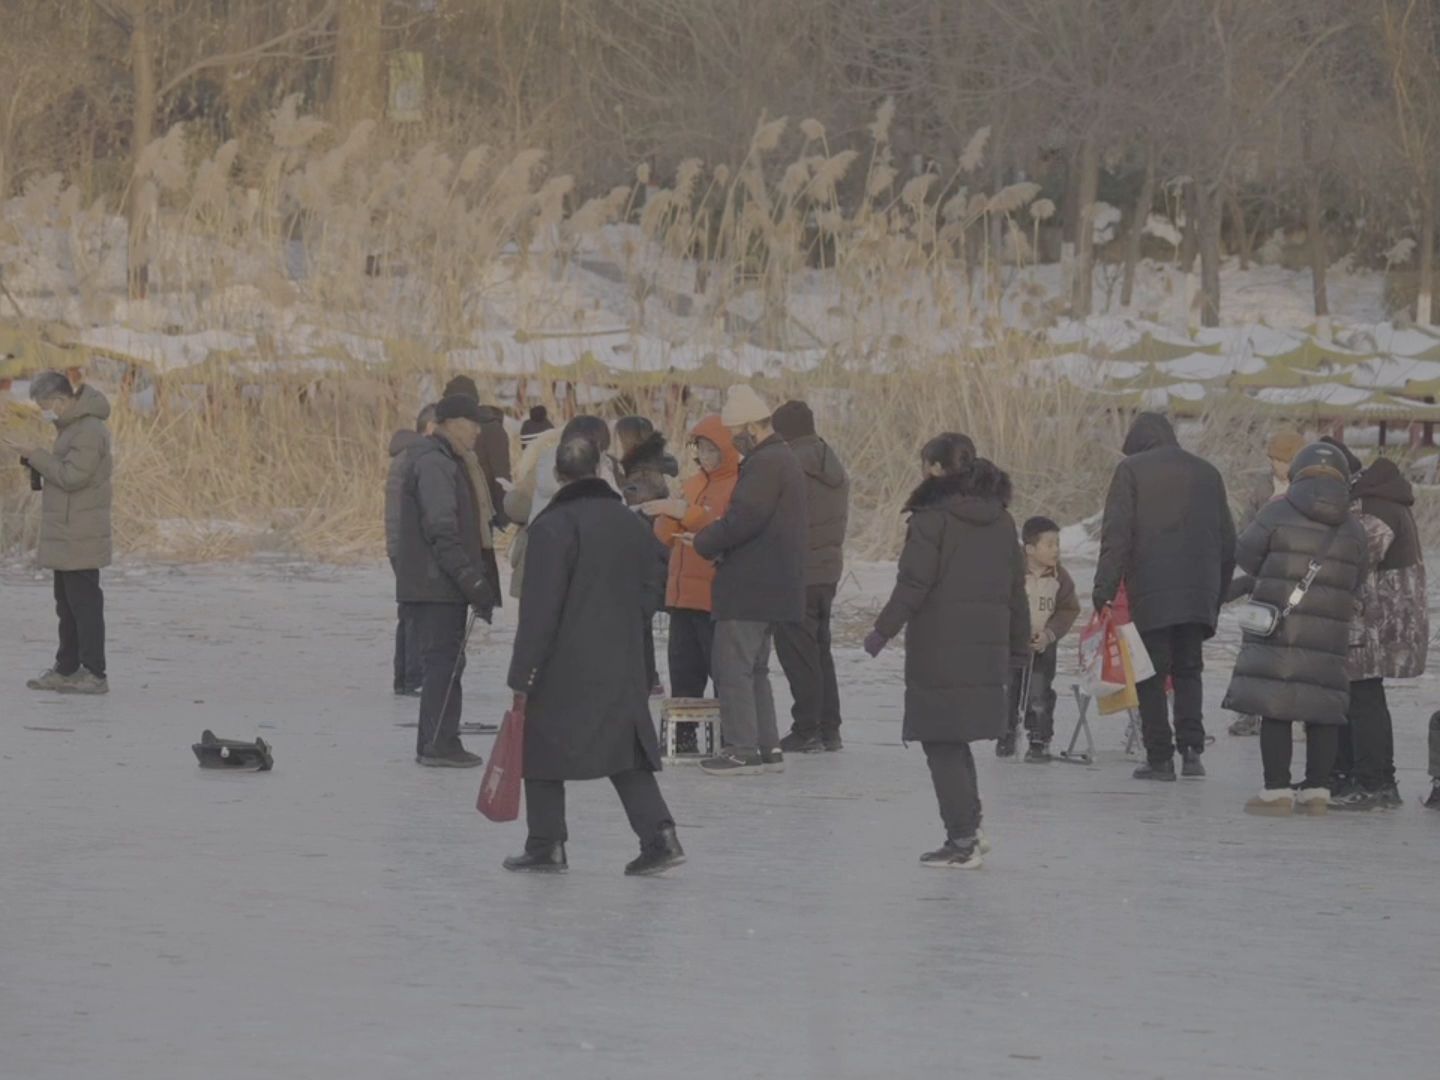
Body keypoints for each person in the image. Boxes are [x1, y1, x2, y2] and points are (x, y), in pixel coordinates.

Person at [502, 435, 684, 876]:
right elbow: (658, 578)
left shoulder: (551, 528)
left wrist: (522, 674)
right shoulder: (629, 523)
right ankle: (660, 838)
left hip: (562, 665)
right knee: (626, 751)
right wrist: (631, 620)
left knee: (539, 747)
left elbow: (539, 612)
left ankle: (547, 844)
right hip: (623, 658)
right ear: (598, 473)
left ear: (560, 476)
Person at [864, 433, 1028, 869]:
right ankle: (968, 829)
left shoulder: (931, 518)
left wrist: (882, 631)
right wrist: (1018, 646)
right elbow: (1017, 590)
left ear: (936, 469)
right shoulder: (1002, 519)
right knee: (952, 740)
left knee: (941, 740)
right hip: (984, 648)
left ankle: (962, 839)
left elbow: (913, 584)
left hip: (940, 646)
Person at [1221, 443, 1367, 816]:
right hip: (1330, 629)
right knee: (1322, 705)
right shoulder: (1352, 526)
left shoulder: (1277, 511)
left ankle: (1276, 791)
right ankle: (1317, 790)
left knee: (1277, 703)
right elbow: (1359, 576)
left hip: (1281, 626)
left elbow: (1247, 555)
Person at [1093, 412, 1235, 781]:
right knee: (1189, 670)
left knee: (1150, 674)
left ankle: (1159, 757)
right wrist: (1215, 595)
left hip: (1152, 590)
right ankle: (1191, 751)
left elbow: (1117, 535)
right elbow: (1228, 540)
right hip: (1198, 592)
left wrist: (1103, 590)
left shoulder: (1132, 471)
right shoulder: (1207, 472)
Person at [692, 385, 807, 775]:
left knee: (733, 667)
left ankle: (742, 747)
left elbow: (744, 519)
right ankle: (766, 744)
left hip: (750, 584)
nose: (731, 442)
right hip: (773, 583)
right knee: (754, 668)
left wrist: (705, 540)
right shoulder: (781, 458)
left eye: (734, 433)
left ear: (750, 428)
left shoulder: (766, 463)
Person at [394, 394, 497, 767]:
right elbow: (441, 529)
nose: (477, 432)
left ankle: (439, 740)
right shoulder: (435, 464)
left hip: (437, 582)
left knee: (449, 662)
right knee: (443, 663)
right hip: (435, 584)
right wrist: (470, 579)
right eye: (472, 424)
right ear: (452, 423)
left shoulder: (444, 461)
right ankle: (437, 744)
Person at [3, 370, 113, 695]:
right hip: (67, 531)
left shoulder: (89, 430)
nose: (43, 411)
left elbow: (73, 476)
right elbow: (62, 470)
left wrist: (34, 454)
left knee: (85, 605)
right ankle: (66, 668)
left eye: (44, 405)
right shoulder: (71, 429)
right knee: (66, 605)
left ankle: (94, 673)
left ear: (61, 400)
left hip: (80, 532)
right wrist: (35, 461)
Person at [1331, 456, 1429, 811]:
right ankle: (1361, 775)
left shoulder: (1377, 508)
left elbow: (1354, 556)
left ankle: (1376, 781)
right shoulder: (1383, 502)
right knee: (1357, 695)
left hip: (1379, 624)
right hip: (1382, 621)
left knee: (1364, 696)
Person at [771, 400, 851, 754]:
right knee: (820, 650)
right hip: (827, 571)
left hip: (797, 570)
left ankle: (807, 729)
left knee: (798, 653)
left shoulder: (790, 467)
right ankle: (829, 728)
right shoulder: (830, 462)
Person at [647, 416, 740, 698]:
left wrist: (685, 513)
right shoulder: (692, 484)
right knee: (684, 677)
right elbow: (663, 537)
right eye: (701, 449)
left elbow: (724, 530)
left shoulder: (739, 485)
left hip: (715, 598)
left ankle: (731, 738)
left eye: (713, 449)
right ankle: (683, 739)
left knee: (725, 677)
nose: (706, 456)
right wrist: (669, 514)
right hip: (682, 597)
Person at [1226, 430, 1306, 736]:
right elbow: (1246, 530)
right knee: (1254, 647)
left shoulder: (1308, 488)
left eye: (1283, 460)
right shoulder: (1262, 487)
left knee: (1295, 648)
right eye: (1273, 459)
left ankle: (1298, 710)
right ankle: (1248, 712)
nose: (1277, 466)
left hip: (1298, 582)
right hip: (1263, 578)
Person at [1000, 516, 1080, 762]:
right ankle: (1006, 733)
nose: (1056, 549)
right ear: (1030, 549)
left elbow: (1068, 609)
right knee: (1009, 690)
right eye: (1049, 544)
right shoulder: (1011, 573)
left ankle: (1039, 738)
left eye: (1057, 544)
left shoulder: (1060, 577)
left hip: (1044, 646)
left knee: (1039, 692)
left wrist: (1048, 634)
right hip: (1013, 646)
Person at [614, 414, 678, 694]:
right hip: (650, 551)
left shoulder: (641, 474)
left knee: (637, 617)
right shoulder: (647, 467)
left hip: (647, 554)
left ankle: (646, 678)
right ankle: (647, 676)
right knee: (639, 618)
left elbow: (629, 504)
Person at [385, 404, 436, 697]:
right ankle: (412, 677)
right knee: (416, 612)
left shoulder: (406, 456)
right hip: (408, 545)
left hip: (399, 544)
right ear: (430, 428)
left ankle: (405, 677)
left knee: (408, 612)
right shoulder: (416, 458)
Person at [442, 374, 512, 525]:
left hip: (482, 511)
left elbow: (501, 475)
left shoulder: (491, 429)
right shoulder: (443, 430)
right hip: (455, 509)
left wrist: (502, 514)